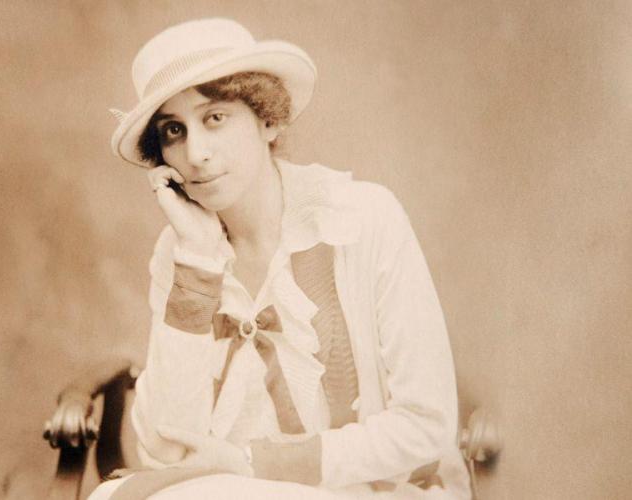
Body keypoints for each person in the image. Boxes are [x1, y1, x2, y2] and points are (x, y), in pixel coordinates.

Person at [88, 18, 472, 499]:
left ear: (267, 119)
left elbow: (426, 425)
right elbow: (167, 451)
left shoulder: (365, 219)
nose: (197, 153)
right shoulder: (181, 251)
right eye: (174, 130)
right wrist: (198, 260)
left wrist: (255, 465)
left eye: (214, 118)